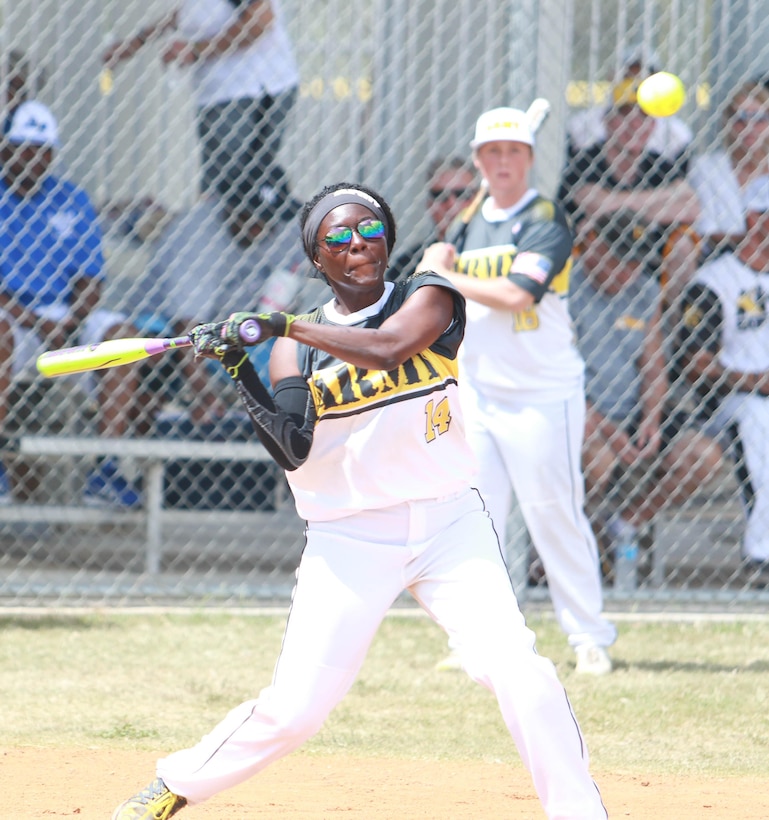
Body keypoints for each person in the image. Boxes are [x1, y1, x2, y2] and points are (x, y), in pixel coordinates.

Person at [111, 182, 609, 820]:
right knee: (295, 710)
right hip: (349, 538)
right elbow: (292, 447)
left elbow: (390, 347)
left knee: (518, 667)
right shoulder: (297, 344)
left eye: (369, 230)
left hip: (449, 524)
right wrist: (241, 367)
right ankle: (173, 786)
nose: (358, 246)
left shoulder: (430, 294)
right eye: (338, 238)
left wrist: (283, 323)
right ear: (317, 258)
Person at [417, 107, 616, 676]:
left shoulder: (546, 220)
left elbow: (517, 294)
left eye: (514, 152)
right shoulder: (467, 222)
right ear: (480, 160)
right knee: (479, 519)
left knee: (554, 513)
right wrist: (439, 257)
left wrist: (443, 274)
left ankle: (588, 636)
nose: (503, 162)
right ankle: (481, 641)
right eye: (493, 153)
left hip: (542, 393)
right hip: (478, 391)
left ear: (529, 159)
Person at [0, 101, 144, 506]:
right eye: (22, 147)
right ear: (4, 149)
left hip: (64, 318)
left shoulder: (71, 198)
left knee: (122, 336)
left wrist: (73, 320)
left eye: (41, 149)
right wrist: (33, 320)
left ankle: (107, 468)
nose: (32, 157)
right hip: (12, 318)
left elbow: (89, 279)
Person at [570, 210, 724, 588]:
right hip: (583, 413)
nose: (628, 270)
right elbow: (562, 380)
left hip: (633, 412)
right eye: (619, 260)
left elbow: (653, 366)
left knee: (705, 457)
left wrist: (651, 420)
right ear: (593, 250)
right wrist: (611, 431)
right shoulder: (564, 291)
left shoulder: (645, 290)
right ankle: (582, 550)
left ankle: (626, 523)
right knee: (602, 462)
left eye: (636, 260)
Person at [128, 172, 319, 426]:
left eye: (267, 218)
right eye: (250, 217)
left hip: (240, 328)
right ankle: (128, 451)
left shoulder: (289, 229)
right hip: (168, 323)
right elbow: (188, 326)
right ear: (229, 208)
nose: (260, 226)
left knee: (297, 367)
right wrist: (204, 394)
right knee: (164, 354)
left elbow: (285, 302)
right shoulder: (195, 235)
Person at [103, 0, 299, 202]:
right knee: (240, 187)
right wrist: (138, 41)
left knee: (229, 188)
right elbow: (194, 10)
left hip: (244, 90)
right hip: (236, 90)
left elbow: (260, 22)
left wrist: (195, 50)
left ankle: (230, 224)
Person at [675, 176, 769, 587]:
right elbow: (694, 362)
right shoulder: (714, 282)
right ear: (755, 218)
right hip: (729, 401)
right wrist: (755, 379)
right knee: (757, 420)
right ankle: (761, 554)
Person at [688, 77, 769, 258]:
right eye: (740, 118)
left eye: (759, 119)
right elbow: (707, 231)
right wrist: (755, 239)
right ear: (728, 122)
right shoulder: (706, 167)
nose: (749, 127)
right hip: (720, 261)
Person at [386, 156, 477, 282]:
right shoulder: (409, 262)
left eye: (461, 194)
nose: (451, 203)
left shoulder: (493, 252)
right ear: (429, 204)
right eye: (440, 195)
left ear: (478, 198)